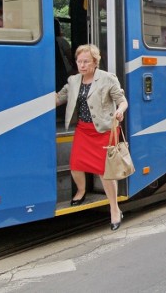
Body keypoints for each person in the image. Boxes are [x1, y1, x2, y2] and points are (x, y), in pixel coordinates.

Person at [56, 44, 128, 230]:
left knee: (105, 172)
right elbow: (58, 98)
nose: (82, 65)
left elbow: (122, 101)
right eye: (79, 61)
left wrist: (119, 111)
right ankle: (81, 191)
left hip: (103, 131)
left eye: (86, 61)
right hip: (83, 130)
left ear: (95, 62)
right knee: (76, 164)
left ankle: (114, 209)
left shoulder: (107, 79)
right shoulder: (73, 80)